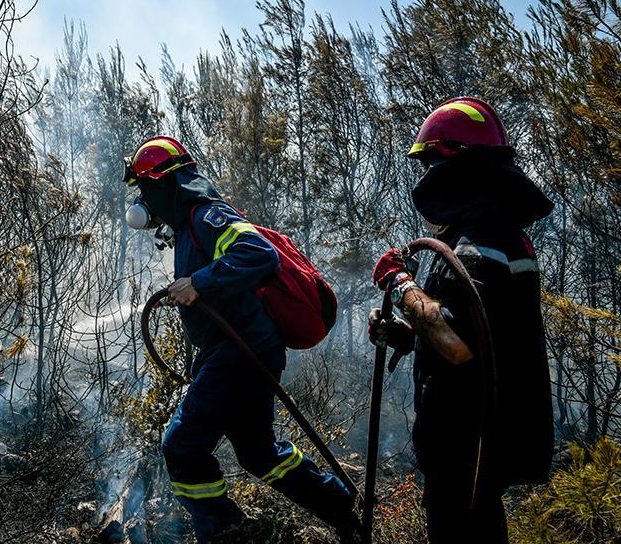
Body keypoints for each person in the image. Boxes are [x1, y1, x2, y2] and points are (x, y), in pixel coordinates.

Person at [123, 136, 359, 543]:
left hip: (240, 352)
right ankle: (341, 511)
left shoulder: (207, 214)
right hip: (242, 352)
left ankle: (225, 533)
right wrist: (193, 292)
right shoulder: (187, 227)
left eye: (144, 189)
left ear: (162, 185)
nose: (142, 202)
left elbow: (258, 254)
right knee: (258, 454)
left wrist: (199, 282)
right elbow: (223, 281)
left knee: (181, 446)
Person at [369, 97, 554, 544]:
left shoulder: (482, 241)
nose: (428, 177)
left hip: (464, 437)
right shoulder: (493, 235)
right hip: (477, 433)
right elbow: (486, 333)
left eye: (432, 163)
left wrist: (397, 282)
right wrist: (404, 335)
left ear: (457, 166)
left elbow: (455, 341)